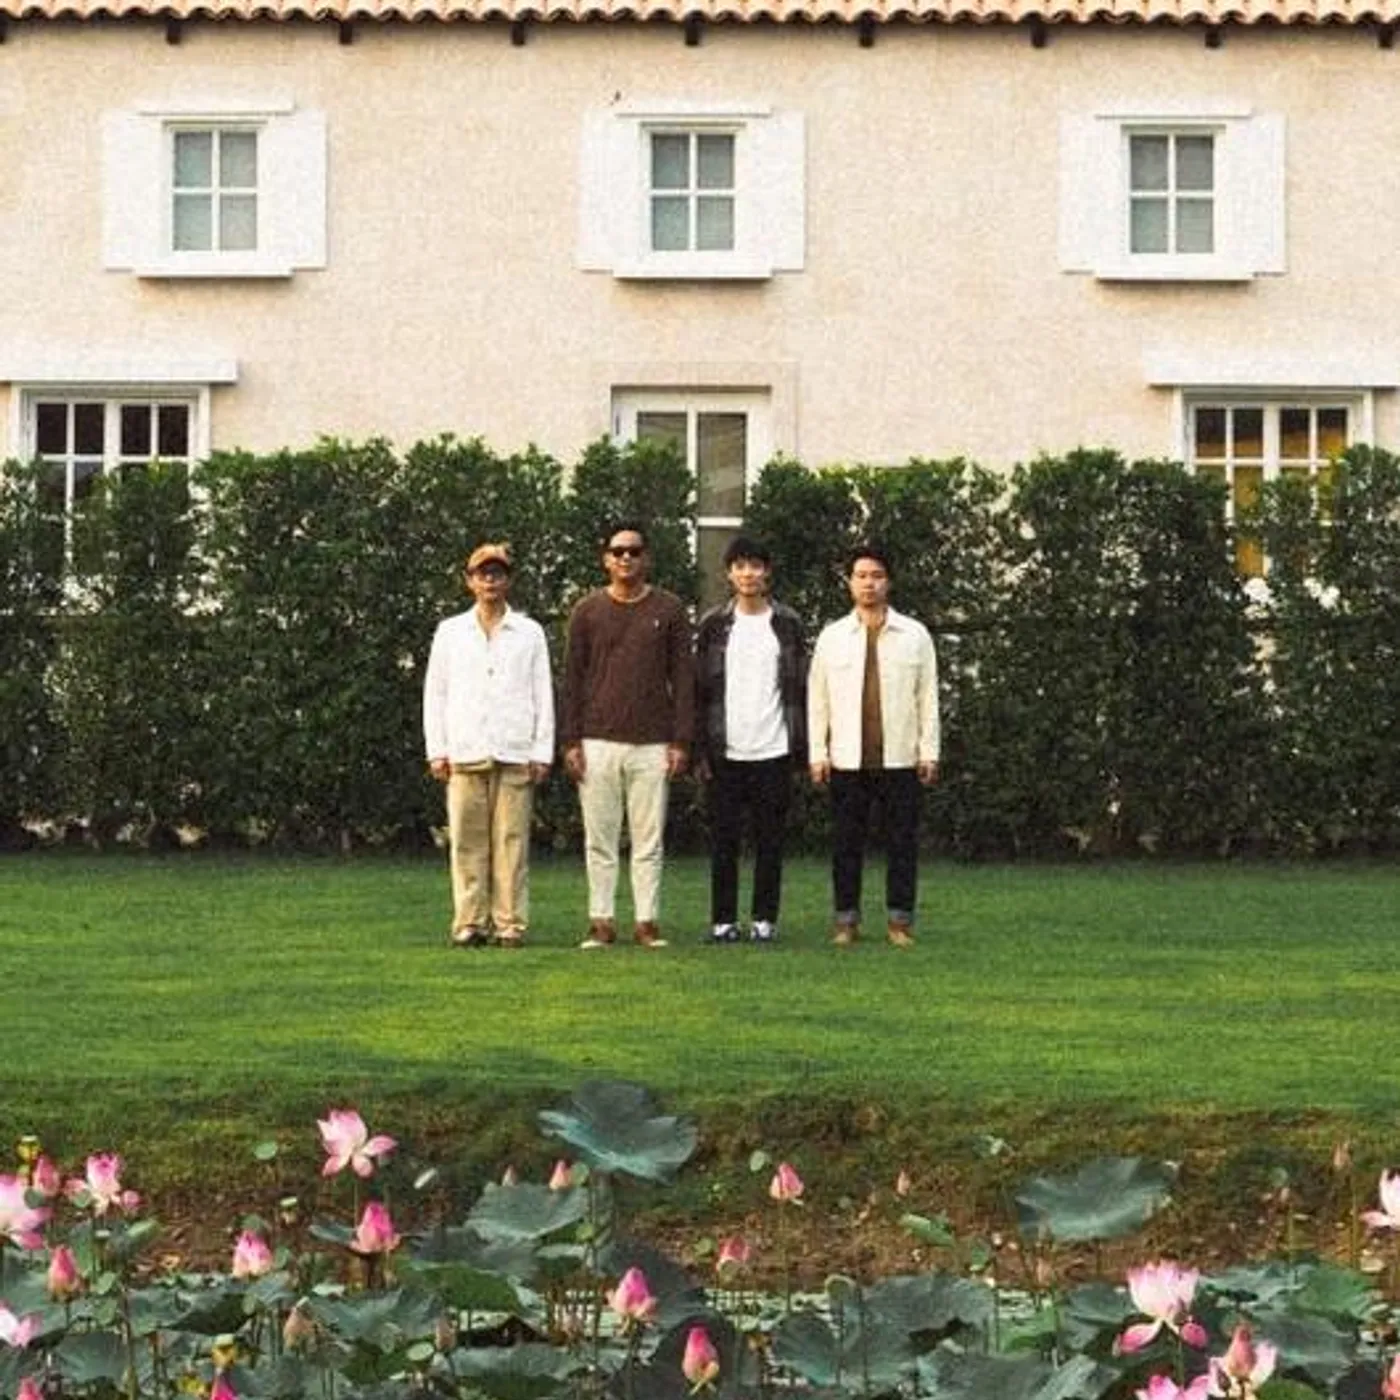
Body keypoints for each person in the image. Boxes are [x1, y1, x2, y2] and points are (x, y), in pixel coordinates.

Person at [561, 522, 694, 949]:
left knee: (648, 840)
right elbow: (572, 679)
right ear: (605, 559)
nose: (626, 558)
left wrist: (681, 741)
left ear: (646, 558)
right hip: (597, 740)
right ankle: (601, 921)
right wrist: (570, 742)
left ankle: (646, 922)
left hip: (653, 742)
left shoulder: (670, 609)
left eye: (634, 551)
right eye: (617, 551)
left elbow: (684, 680)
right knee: (599, 840)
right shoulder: (586, 611)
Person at [422, 542, 554, 948]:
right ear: (469, 581)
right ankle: (469, 921)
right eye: (483, 574)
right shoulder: (450, 632)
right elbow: (436, 693)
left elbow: (542, 692)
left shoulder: (529, 632)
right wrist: (437, 749)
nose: (490, 581)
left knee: (512, 842)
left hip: (514, 750)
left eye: (497, 574)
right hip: (465, 750)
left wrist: (541, 751)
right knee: (467, 841)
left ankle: (509, 923)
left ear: (508, 580)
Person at [807, 543, 939, 947]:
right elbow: (818, 698)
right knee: (846, 844)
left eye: (877, 576)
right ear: (850, 582)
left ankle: (900, 922)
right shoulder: (832, 637)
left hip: (900, 757)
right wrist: (818, 752)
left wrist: (929, 750)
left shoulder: (914, 635)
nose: (869, 583)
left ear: (890, 582)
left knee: (902, 843)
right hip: (847, 759)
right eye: (861, 576)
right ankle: (846, 921)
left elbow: (928, 695)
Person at [694, 535, 807, 944]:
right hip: (726, 749)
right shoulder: (713, 624)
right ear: (729, 573)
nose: (748, 574)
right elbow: (701, 691)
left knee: (770, 841)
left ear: (768, 572)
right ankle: (723, 921)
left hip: (774, 747)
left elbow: (799, 690)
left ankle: (765, 919)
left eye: (755, 566)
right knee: (723, 841)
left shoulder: (789, 623)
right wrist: (701, 750)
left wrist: (800, 748)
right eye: (740, 566)